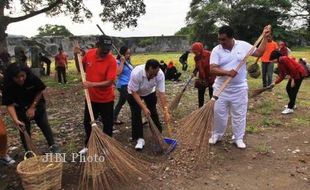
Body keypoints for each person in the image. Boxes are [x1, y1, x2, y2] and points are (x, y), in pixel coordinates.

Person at [209, 25, 270, 149]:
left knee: (239, 114)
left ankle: (238, 138)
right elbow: (212, 69)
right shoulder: (216, 50)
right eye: (219, 39)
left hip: (239, 88)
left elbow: (259, 52)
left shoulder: (243, 46)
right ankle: (217, 135)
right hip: (221, 89)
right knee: (219, 113)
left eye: (223, 39)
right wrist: (227, 72)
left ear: (231, 38)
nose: (221, 42)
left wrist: (265, 37)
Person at [2, 63, 59, 153]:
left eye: (22, 76)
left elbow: (40, 90)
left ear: (26, 73)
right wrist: (15, 120)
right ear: (12, 77)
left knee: (44, 124)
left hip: (36, 104)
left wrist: (32, 107)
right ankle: (29, 151)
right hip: (20, 108)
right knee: (23, 129)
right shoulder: (7, 85)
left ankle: (53, 145)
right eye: (17, 77)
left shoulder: (31, 78)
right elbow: (9, 104)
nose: (21, 79)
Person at [77, 35, 117, 154]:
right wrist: (75, 55)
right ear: (97, 45)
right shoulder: (89, 54)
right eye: (103, 48)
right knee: (87, 122)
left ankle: (106, 146)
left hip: (106, 99)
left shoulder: (111, 61)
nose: (106, 51)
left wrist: (92, 84)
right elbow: (81, 68)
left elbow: (110, 81)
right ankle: (89, 145)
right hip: (91, 98)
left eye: (108, 49)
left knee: (107, 123)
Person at [127, 59, 171, 150]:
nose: (154, 76)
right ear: (147, 69)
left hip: (149, 92)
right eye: (152, 74)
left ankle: (158, 134)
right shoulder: (136, 73)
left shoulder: (159, 74)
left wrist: (165, 111)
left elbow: (162, 93)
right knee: (136, 114)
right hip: (134, 93)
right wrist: (143, 107)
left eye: (156, 73)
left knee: (153, 112)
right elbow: (134, 92)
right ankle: (139, 138)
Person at [113, 46, 133, 125]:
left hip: (128, 84)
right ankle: (136, 118)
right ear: (122, 54)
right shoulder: (117, 61)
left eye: (129, 53)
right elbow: (118, 73)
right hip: (123, 85)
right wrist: (121, 62)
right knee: (132, 101)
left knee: (121, 102)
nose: (128, 55)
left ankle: (113, 118)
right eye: (127, 53)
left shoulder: (127, 61)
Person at [191, 42, 215, 107]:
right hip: (202, 77)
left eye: (196, 52)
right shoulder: (196, 58)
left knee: (212, 94)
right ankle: (200, 108)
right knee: (200, 93)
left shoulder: (209, 54)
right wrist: (194, 72)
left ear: (200, 50)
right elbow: (197, 66)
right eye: (194, 52)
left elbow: (214, 65)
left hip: (211, 76)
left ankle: (212, 108)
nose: (195, 54)